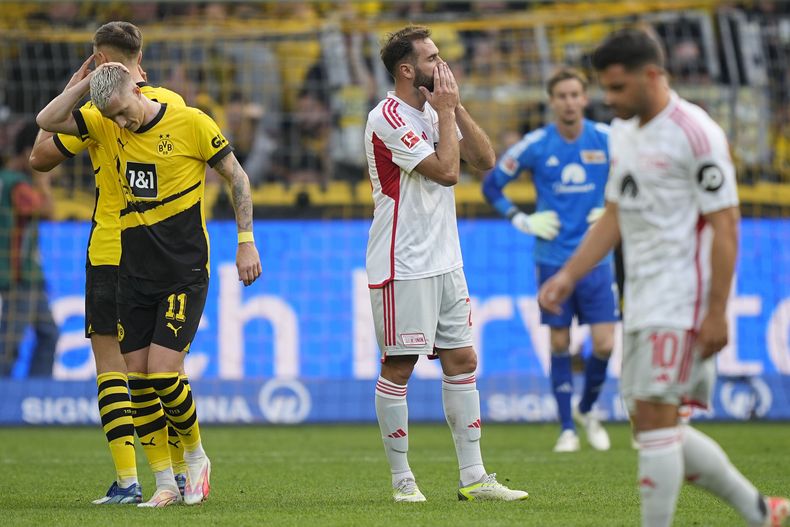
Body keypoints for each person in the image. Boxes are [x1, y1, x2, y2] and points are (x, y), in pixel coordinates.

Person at [538, 28, 789, 527]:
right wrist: (569, 274)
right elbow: (614, 213)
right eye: (604, 90)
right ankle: (763, 512)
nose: (608, 100)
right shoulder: (625, 134)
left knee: (654, 420)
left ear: (652, 76)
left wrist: (716, 311)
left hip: (683, 300)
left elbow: (726, 225)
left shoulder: (696, 133)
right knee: (650, 422)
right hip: (642, 297)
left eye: (616, 88)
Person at [36, 60, 262, 507]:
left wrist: (246, 241)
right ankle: (162, 482)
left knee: (163, 372)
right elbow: (46, 122)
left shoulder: (190, 121)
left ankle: (195, 456)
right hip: (132, 271)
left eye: (124, 111)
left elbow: (237, 176)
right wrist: (85, 84)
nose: (122, 122)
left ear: (139, 88)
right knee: (136, 378)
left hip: (183, 269)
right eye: (114, 116)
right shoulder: (105, 122)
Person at [29, 21, 191, 506]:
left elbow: (39, 156)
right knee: (163, 372)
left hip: (109, 250)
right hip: (161, 252)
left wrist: (75, 89)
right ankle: (183, 473)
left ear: (99, 61)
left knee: (112, 371)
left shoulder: (99, 112)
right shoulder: (171, 104)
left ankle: (128, 481)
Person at [365, 25, 528, 503]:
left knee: (462, 360)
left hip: (446, 260)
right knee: (400, 365)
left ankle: (474, 478)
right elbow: (448, 173)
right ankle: (402, 481)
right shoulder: (387, 116)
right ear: (407, 70)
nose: (444, 65)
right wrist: (442, 110)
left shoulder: (437, 112)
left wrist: (451, 107)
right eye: (434, 58)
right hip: (403, 261)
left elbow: (485, 159)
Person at [481, 67, 617, 453]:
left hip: (596, 258)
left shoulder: (608, 139)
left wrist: (611, 207)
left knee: (605, 343)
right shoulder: (537, 144)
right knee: (560, 341)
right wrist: (520, 218)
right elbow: (492, 184)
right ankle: (566, 429)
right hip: (553, 257)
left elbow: (636, 173)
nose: (569, 102)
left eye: (576, 95)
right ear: (552, 101)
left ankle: (588, 409)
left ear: (585, 99)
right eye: (562, 96)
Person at [0, 122, 59, 377]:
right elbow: (48, 211)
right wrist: (42, 179)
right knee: (10, 343)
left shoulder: (7, 180)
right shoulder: (18, 184)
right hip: (20, 276)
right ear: (28, 153)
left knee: (49, 333)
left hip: (29, 276)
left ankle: (35, 391)